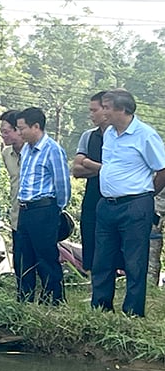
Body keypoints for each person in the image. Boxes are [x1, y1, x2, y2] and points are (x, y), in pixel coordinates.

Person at [92, 89, 165, 317]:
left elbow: (162, 169)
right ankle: (101, 309)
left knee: (134, 261)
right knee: (102, 258)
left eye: (107, 107)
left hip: (135, 204)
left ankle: (133, 312)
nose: (103, 112)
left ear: (122, 110)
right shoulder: (110, 134)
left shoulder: (145, 135)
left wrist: (147, 195)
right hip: (107, 204)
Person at [14, 107, 70, 305]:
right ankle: (25, 300)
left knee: (46, 257)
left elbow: (62, 183)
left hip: (44, 209)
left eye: (22, 128)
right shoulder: (27, 149)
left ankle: (53, 301)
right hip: (25, 208)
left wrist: (56, 209)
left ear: (36, 126)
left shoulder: (52, 149)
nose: (19, 133)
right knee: (23, 257)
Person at [71, 91, 108, 273]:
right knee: (91, 244)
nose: (91, 114)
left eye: (94, 110)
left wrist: (88, 163)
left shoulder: (121, 138)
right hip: (92, 198)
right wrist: (103, 169)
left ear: (107, 109)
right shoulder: (89, 136)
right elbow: (76, 169)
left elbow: (120, 171)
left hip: (115, 198)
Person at [0, 110, 23, 275]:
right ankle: (23, 296)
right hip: (16, 214)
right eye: (1, 132)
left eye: (6, 132)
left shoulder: (34, 151)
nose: (3, 136)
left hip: (38, 213)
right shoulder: (6, 154)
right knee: (20, 259)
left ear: (18, 130)